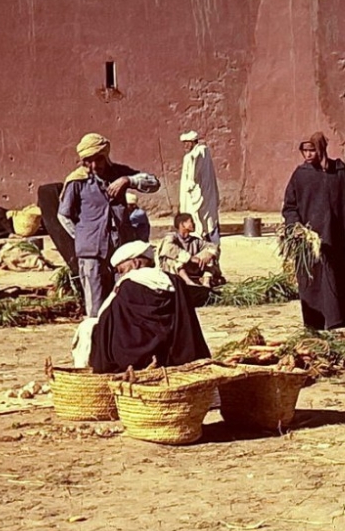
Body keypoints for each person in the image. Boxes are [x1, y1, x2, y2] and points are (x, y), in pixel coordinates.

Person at [59, 133, 160, 318]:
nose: (94, 166)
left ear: (106, 156)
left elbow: (154, 183)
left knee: (122, 299)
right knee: (96, 306)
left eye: (98, 159)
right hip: (92, 253)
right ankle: (96, 340)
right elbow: (63, 215)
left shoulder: (118, 174)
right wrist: (83, 236)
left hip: (120, 251)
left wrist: (128, 180)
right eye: (89, 161)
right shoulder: (76, 182)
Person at [281, 132, 345, 330]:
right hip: (312, 240)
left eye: (312, 150)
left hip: (341, 236)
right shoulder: (300, 175)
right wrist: (296, 226)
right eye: (304, 151)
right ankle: (317, 323)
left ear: (321, 149)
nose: (307, 154)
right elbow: (290, 207)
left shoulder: (340, 172)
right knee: (315, 279)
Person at [80, 241, 211, 373]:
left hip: (134, 362)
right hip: (177, 354)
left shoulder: (128, 285)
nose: (120, 276)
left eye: (121, 271)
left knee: (91, 329)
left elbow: (107, 319)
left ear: (136, 263)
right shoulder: (175, 281)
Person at [178, 130, 220, 247]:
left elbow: (195, 162)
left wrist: (190, 183)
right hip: (202, 196)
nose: (185, 146)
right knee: (207, 224)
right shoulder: (198, 154)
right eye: (184, 143)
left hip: (202, 198)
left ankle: (213, 250)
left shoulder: (199, 153)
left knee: (207, 225)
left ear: (194, 142)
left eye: (188, 142)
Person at [158, 213, 224, 287]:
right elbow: (168, 248)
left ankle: (206, 281)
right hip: (176, 271)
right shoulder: (172, 237)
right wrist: (190, 258)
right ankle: (188, 282)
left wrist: (209, 254)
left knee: (209, 254)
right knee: (172, 259)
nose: (194, 224)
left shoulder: (195, 240)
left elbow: (213, 247)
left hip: (192, 269)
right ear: (182, 225)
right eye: (191, 221)